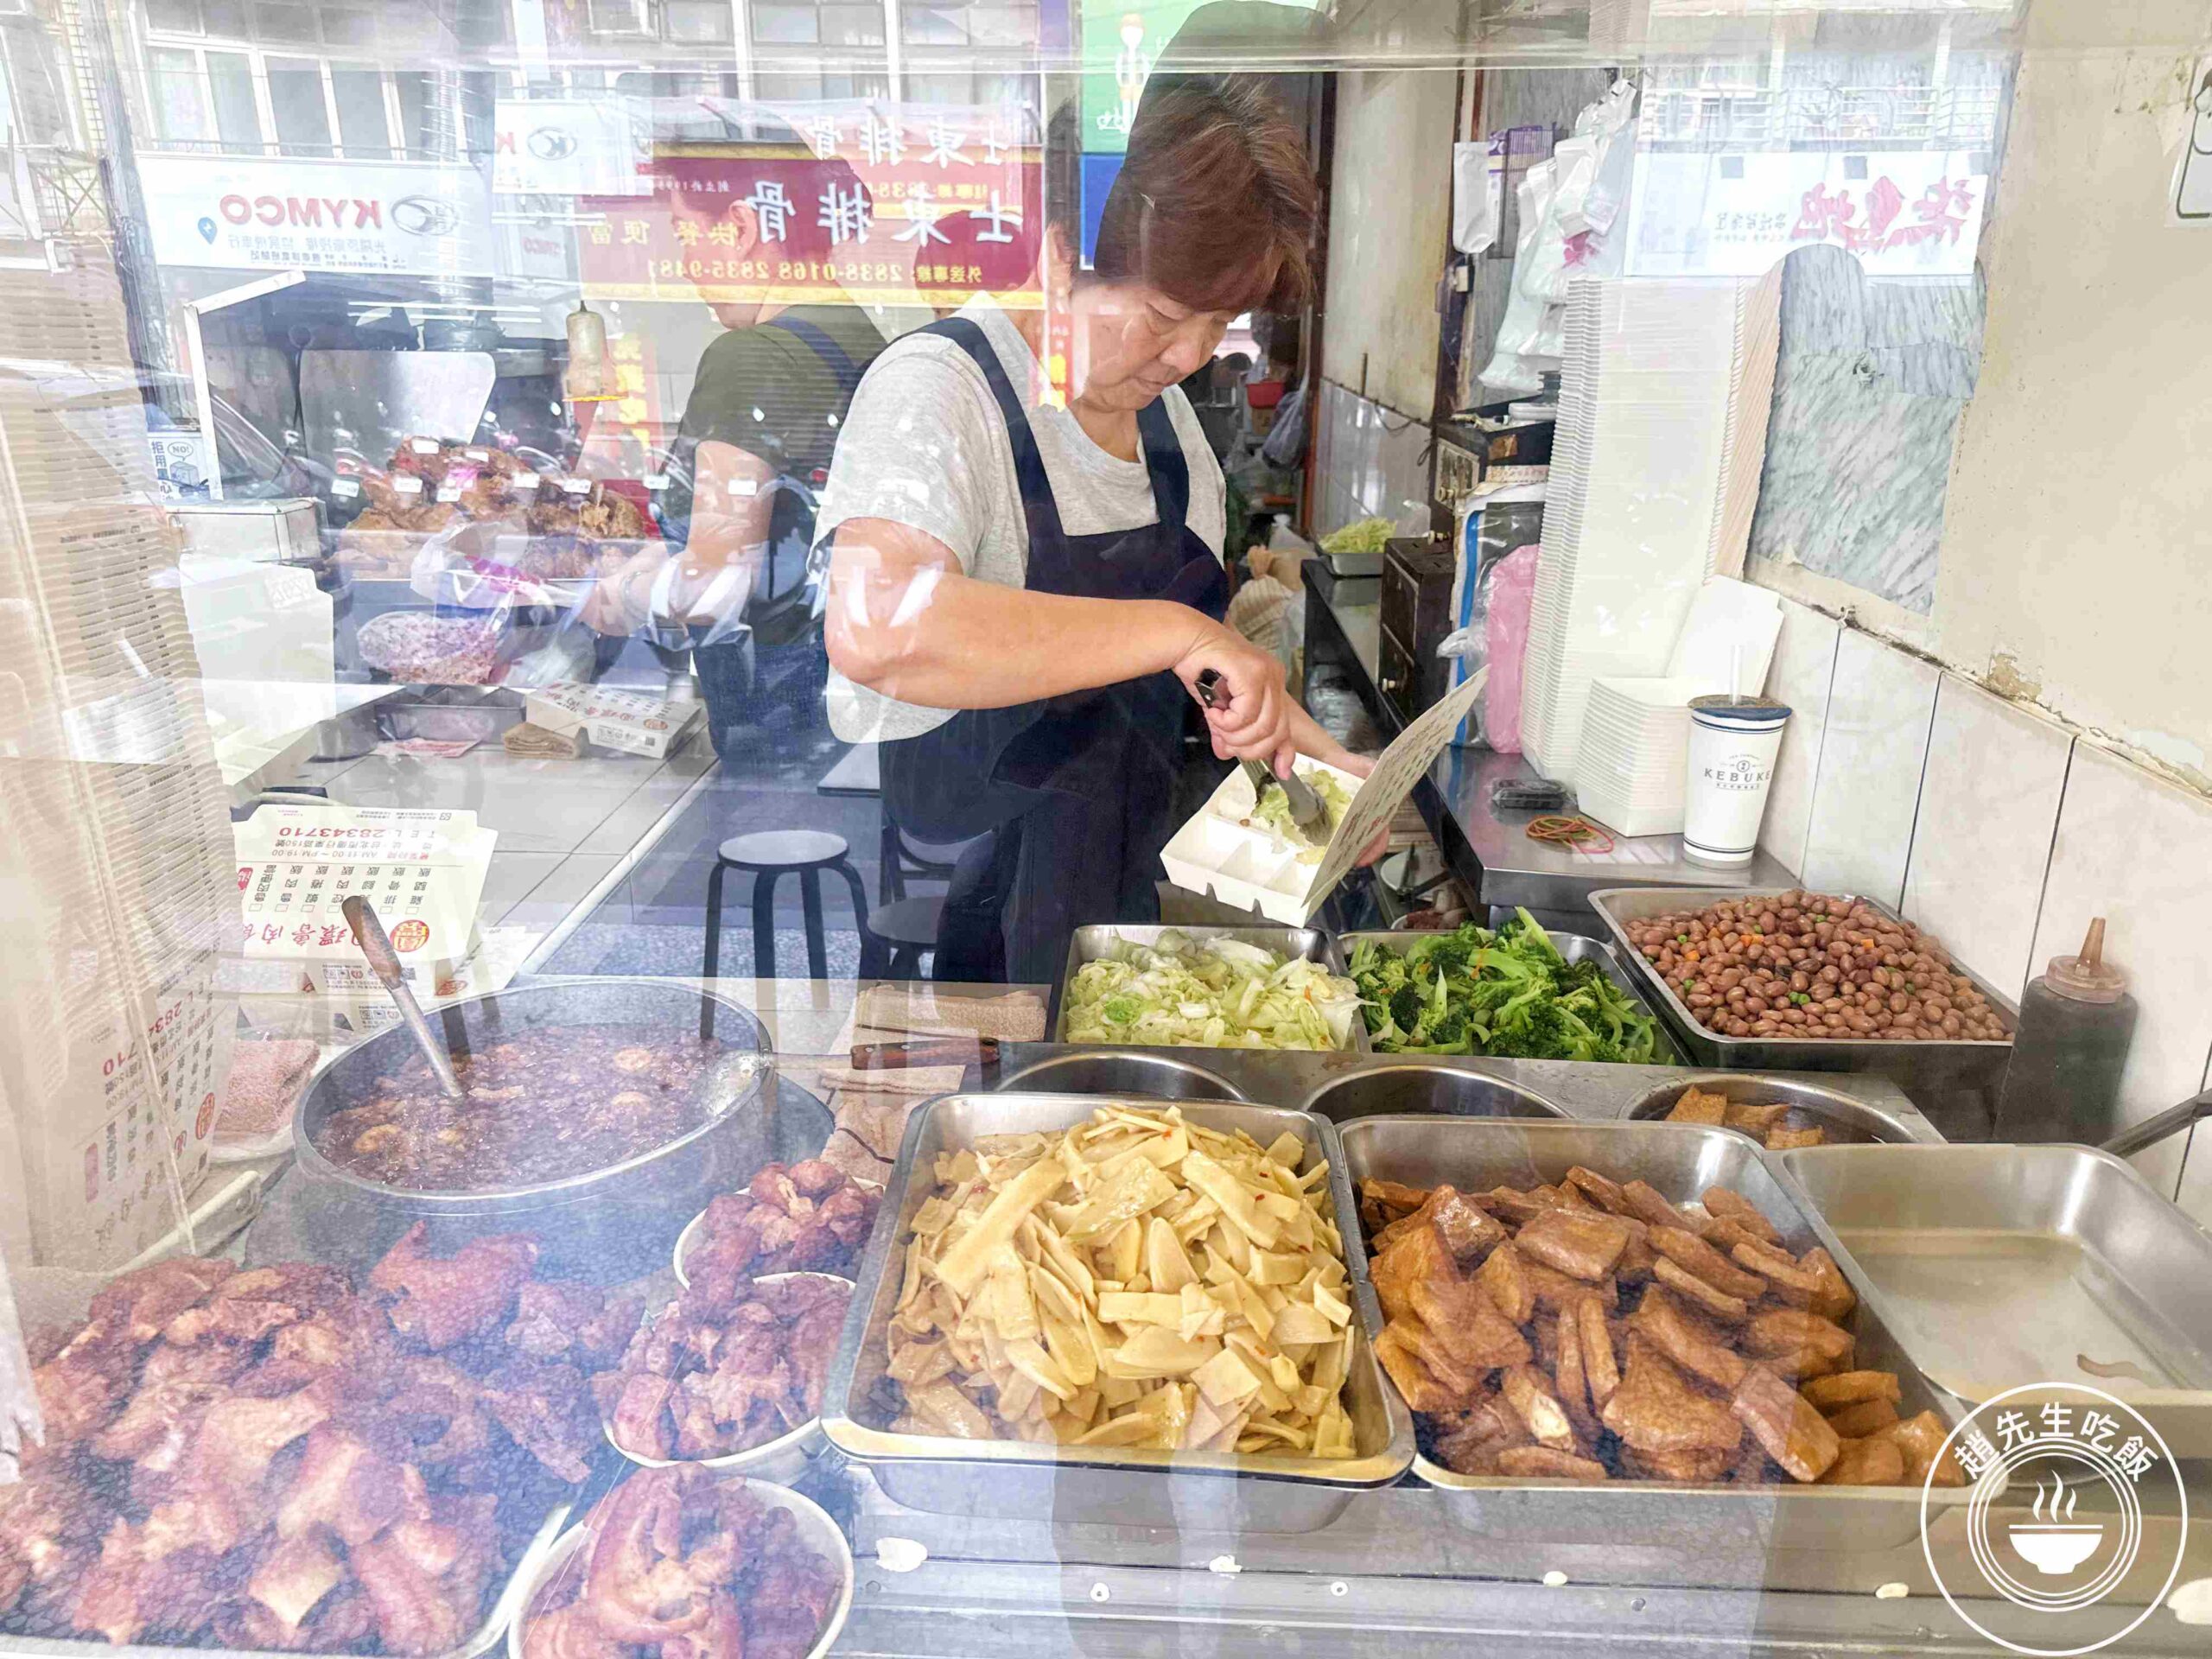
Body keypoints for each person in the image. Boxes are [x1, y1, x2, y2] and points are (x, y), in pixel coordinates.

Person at [816, 77, 1381, 984]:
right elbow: (878, 627)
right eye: (1162, 317)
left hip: (1122, 908)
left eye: (1217, 323)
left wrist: (1320, 765)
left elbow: (1195, 662)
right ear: (1057, 253)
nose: (1193, 355)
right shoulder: (942, 389)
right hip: (979, 925)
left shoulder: (1169, 427)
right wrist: (1176, 630)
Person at [585, 120, 888, 753]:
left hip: (780, 712)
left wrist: (622, 593)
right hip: (855, 698)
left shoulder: (749, 358)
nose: (686, 262)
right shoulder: (861, 335)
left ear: (743, 228)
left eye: (684, 233)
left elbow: (717, 581)